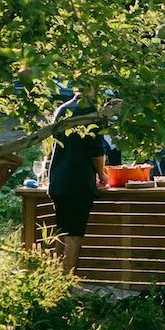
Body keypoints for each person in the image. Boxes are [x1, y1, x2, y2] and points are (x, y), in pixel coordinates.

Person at [48, 103, 109, 274]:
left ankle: (53, 280)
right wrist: (102, 175)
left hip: (58, 179)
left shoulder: (62, 109)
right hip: (78, 182)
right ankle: (67, 283)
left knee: (61, 231)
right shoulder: (90, 112)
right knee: (74, 234)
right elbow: (96, 151)